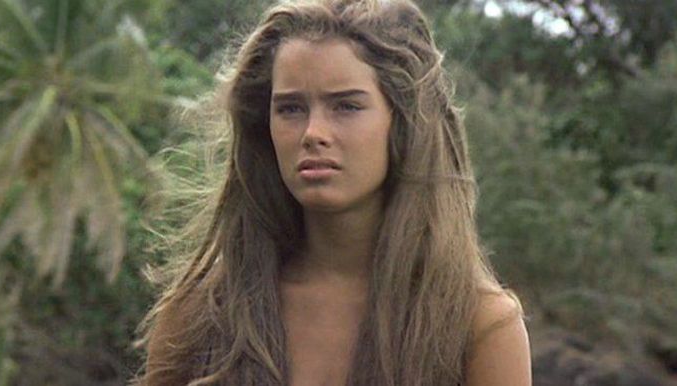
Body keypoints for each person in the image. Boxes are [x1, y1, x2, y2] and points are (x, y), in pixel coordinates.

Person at [139, 0, 531, 385]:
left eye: (346, 106)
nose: (313, 134)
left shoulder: (478, 324)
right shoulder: (202, 315)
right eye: (291, 109)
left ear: (403, 124)